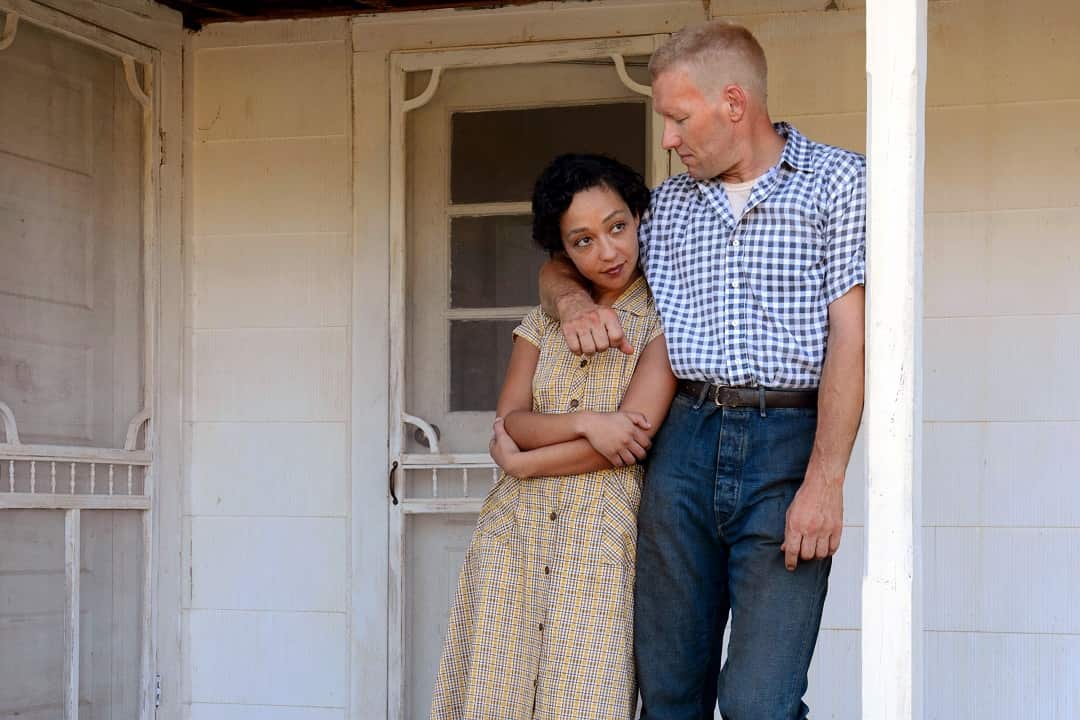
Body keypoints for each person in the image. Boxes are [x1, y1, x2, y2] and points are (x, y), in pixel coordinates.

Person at [539, 21, 866, 720]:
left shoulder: (840, 182)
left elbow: (852, 337)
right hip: (682, 445)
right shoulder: (668, 208)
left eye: (678, 118)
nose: (668, 138)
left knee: (759, 704)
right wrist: (569, 303)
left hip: (789, 444)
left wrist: (827, 479)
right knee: (670, 696)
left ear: (734, 104)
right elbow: (564, 263)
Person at [431, 154, 677, 720]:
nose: (608, 251)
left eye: (617, 227)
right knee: (493, 698)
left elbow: (629, 442)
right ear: (561, 250)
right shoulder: (542, 321)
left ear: (640, 216)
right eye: (583, 240)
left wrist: (527, 464)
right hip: (512, 534)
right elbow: (513, 419)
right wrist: (588, 420)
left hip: (601, 540)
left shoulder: (665, 322)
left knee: (585, 700)